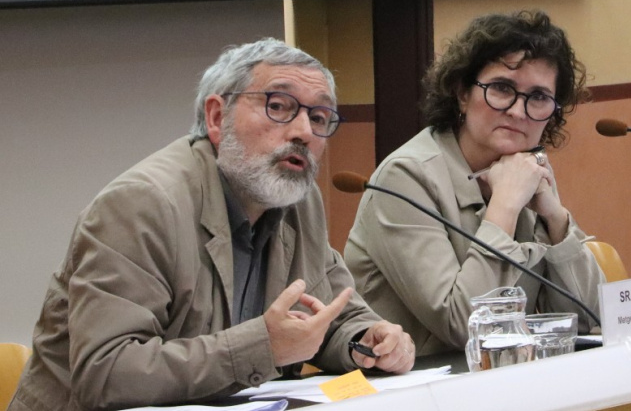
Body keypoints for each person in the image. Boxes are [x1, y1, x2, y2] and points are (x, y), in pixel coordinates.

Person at [10, 39, 414, 411]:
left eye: (319, 116)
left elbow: (330, 316)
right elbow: (107, 373)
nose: (304, 132)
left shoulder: (297, 201)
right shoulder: (142, 204)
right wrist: (263, 347)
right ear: (218, 117)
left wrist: (367, 341)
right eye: (279, 106)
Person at [344, 10, 603, 356]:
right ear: (462, 93)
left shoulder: (526, 169)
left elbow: (591, 319)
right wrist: (504, 207)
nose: (518, 111)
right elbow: (462, 325)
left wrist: (555, 218)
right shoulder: (404, 177)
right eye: (502, 89)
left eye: (539, 97)